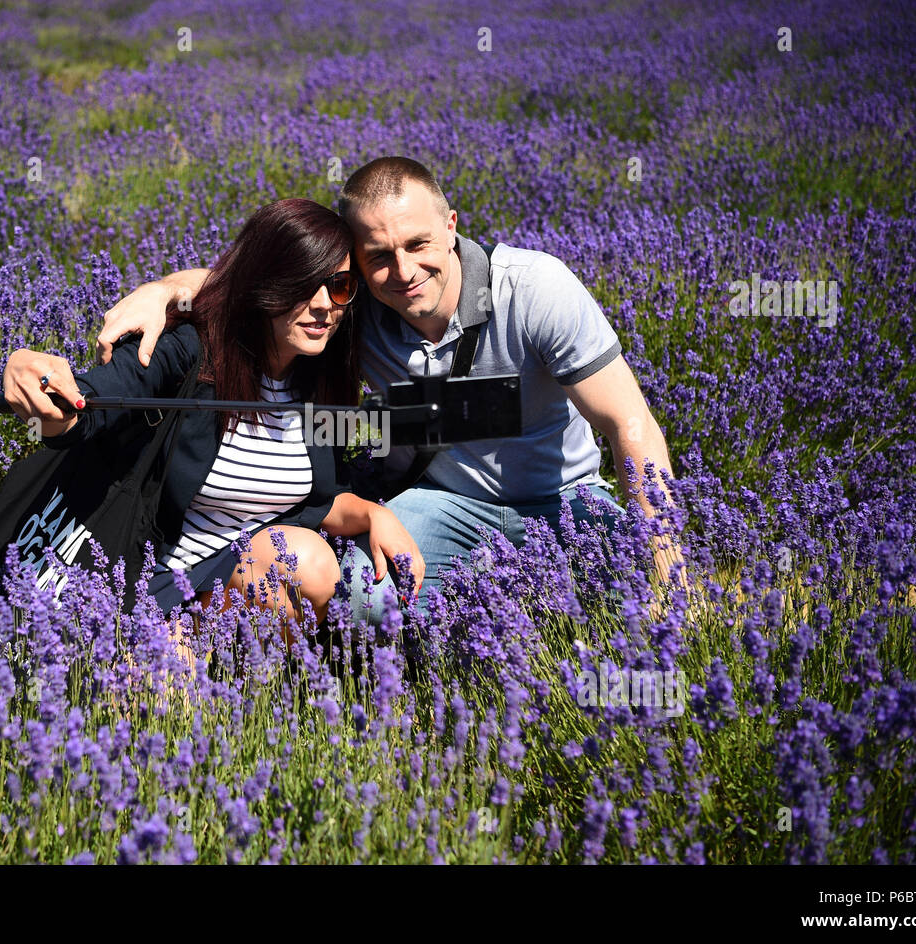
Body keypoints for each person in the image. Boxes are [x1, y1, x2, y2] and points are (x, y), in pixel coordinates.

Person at [94, 157, 692, 626]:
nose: (403, 272)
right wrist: (165, 291)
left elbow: (629, 427)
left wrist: (671, 579)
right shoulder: (360, 305)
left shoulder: (535, 290)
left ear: (451, 226)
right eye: (378, 257)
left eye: (418, 245)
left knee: (636, 600)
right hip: (447, 502)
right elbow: (257, 288)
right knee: (364, 604)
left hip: (563, 497)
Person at [0, 197, 424, 649]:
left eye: (339, 286)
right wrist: (41, 387)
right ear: (265, 284)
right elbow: (96, 402)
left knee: (311, 564)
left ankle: (221, 671)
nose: (323, 305)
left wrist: (374, 512)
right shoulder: (190, 352)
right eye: (301, 285)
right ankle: (174, 651)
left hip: (233, 578)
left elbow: (316, 502)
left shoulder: (318, 376)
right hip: (152, 578)